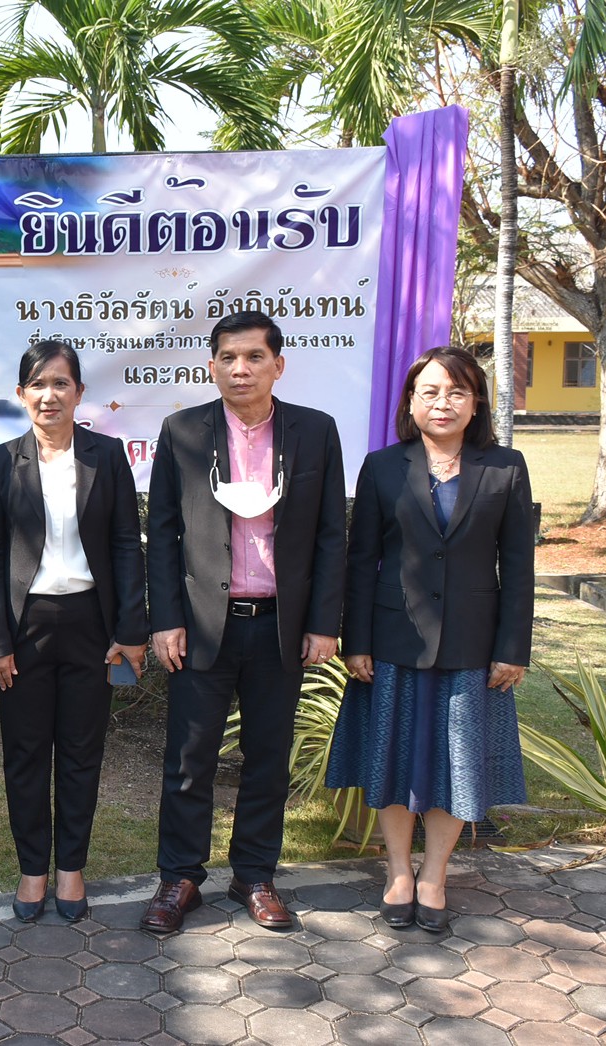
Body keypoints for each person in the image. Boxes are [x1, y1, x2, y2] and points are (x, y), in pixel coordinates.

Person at [142, 310, 346, 935]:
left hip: (279, 625)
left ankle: (255, 875)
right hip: (204, 626)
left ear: (277, 365)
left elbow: (331, 533)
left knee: (267, 757)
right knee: (189, 759)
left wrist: (323, 622)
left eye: (255, 357)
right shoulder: (182, 431)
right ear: (212, 366)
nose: (241, 369)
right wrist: (165, 619)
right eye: (228, 358)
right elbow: (163, 533)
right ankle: (180, 878)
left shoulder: (314, 431)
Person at [326, 346, 532, 934]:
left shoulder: (505, 467)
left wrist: (512, 648)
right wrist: (355, 641)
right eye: (431, 392)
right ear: (411, 403)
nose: (443, 403)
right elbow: (361, 560)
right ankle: (398, 871)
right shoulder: (382, 466)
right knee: (392, 761)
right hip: (394, 641)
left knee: (456, 766)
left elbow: (518, 565)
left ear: (476, 403)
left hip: (472, 645)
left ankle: (435, 874)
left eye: (457, 392)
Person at [0, 340, 149, 923]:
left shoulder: (106, 455)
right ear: (21, 394)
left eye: (61, 383)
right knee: (25, 754)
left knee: (81, 751)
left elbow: (125, 544)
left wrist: (130, 629)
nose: (49, 395)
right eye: (37, 384)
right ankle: (33, 869)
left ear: (79, 393)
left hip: (91, 626)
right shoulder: (0, 462)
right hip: (25, 629)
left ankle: (71, 867)